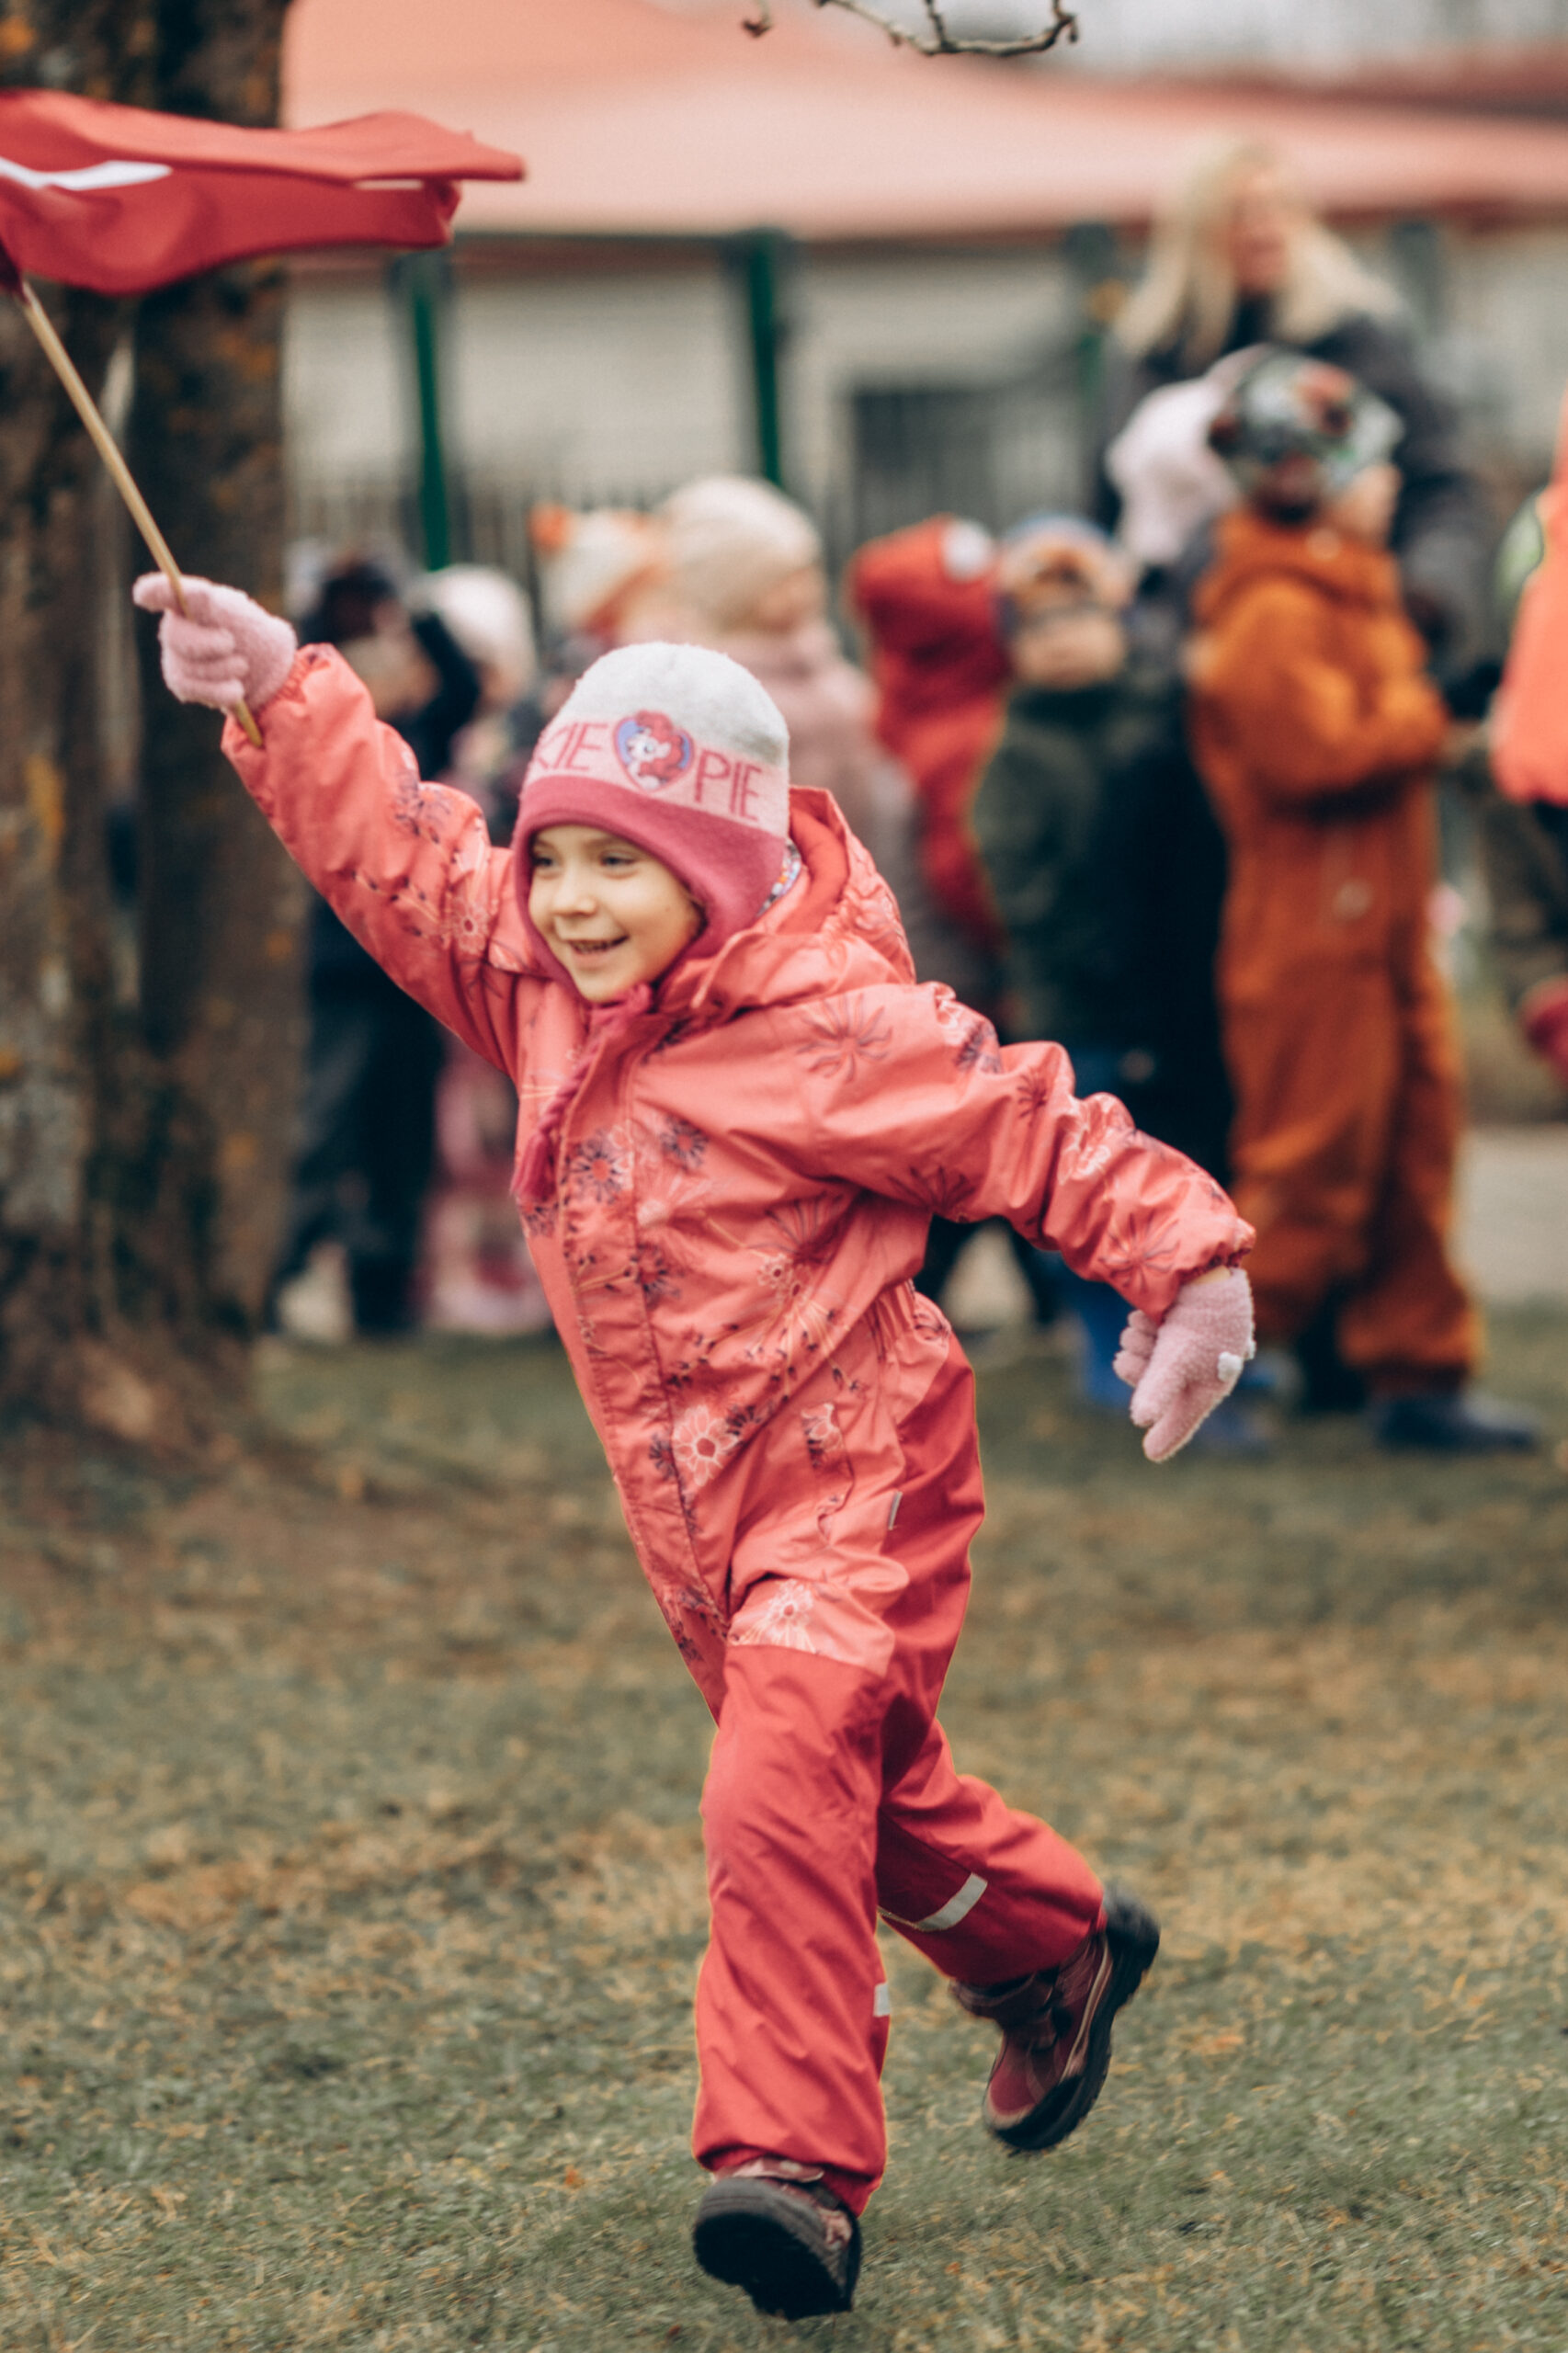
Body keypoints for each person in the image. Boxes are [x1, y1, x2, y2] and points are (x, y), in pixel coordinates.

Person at [135, 568, 1258, 2320]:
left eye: (621, 864)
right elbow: (398, 858)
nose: (573, 901)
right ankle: (1051, 1943)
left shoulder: (832, 1033)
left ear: (718, 872)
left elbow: (1030, 1125)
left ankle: (790, 2166)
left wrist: (1186, 1266)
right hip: (698, 1517)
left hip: (860, 1482)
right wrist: (280, 690)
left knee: (774, 1786)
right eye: (555, 857)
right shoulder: (538, 988)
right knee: (854, 1795)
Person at [1188, 348, 1535, 1451]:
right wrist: (1433, 715)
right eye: (1372, 465)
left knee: (1411, 1152)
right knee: (1309, 1156)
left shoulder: (1354, 585)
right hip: (1308, 933)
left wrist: (1433, 715)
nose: (1390, 485)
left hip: (1383, 922)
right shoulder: (1267, 609)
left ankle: (1416, 1370)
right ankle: (1213, 1365)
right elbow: (1315, 752)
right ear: (1305, 475)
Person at [972, 516, 1251, 1436]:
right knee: (1091, 1181)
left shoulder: (1162, 718)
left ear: (1120, 621)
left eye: (1079, 617)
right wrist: (1090, 952)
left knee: (1188, 1166)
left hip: (1174, 993)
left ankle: (1208, 1340)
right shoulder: (1016, 752)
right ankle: (1106, 1345)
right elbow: (1020, 886)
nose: (1062, 641)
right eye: (1038, 627)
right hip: (1081, 1002)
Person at [1098, 140, 1494, 706]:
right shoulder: (1151, 360)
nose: (1264, 228)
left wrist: (1422, 598)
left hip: (1367, 645)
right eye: (1239, 211)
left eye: (1279, 206)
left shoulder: (1362, 342)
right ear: (1194, 231)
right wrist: (1164, 648)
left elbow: (1443, 488)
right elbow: (1115, 523)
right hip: (1207, 663)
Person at [273, 554, 482, 1336]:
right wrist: (326, 611)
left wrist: (411, 603)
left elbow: (462, 686)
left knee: (404, 1134)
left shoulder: (419, 742)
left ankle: (385, 1293)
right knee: (322, 1129)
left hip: (413, 971)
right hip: (343, 971)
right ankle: (272, 1277)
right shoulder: (323, 753)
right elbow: (294, 679)